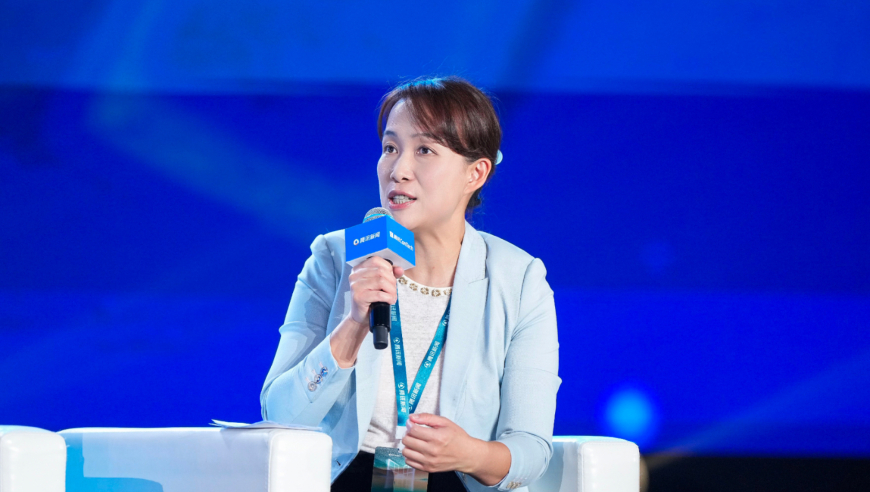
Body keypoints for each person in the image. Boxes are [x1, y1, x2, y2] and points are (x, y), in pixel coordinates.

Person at [260, 76, 560, 492]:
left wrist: (469, 453)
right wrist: (352, 326)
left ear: (475, 173)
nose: (398, 170)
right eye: (390, 148)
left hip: (457, 482)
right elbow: (278, 416)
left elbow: (532, 448)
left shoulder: (519, 279)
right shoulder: (335, 257)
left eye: (424, 150)